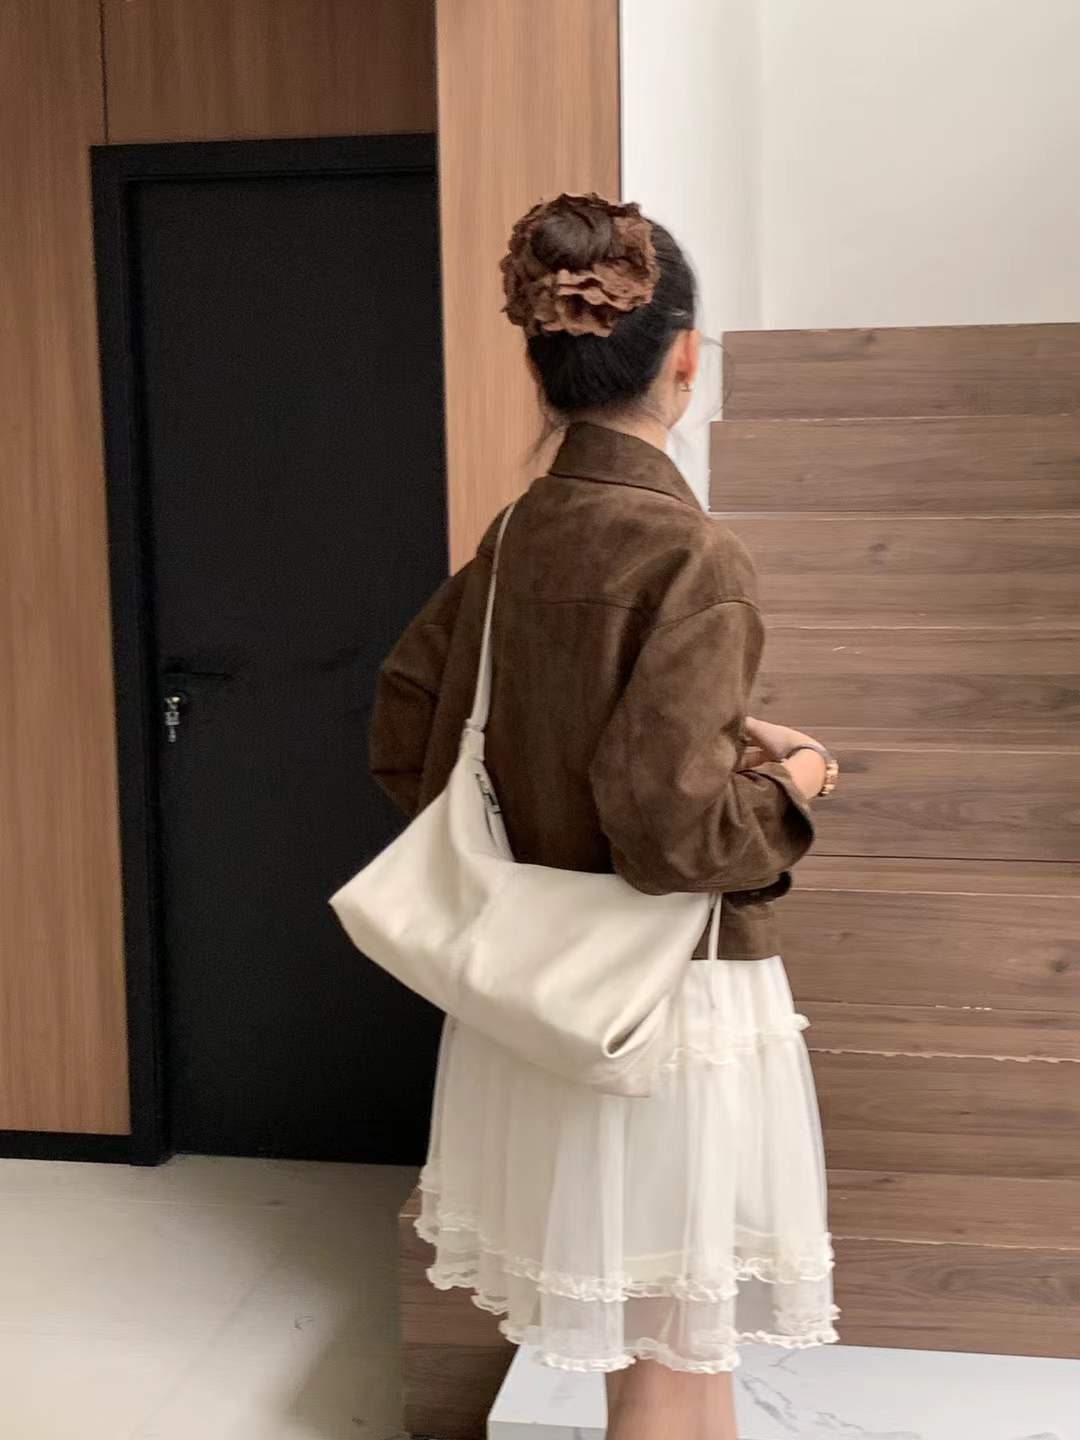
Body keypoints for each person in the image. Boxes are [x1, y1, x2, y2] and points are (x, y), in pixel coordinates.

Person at [370, 192, 839, 1440]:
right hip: (666, 1006)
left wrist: (527, 833)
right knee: (677, 1360)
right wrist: (789, 787)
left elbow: (407, 729)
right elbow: (675, 834)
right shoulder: (691, 555)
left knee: (670, 1351)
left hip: (539, 991)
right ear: (684, 357)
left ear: (545, 362)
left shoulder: (521, 535)